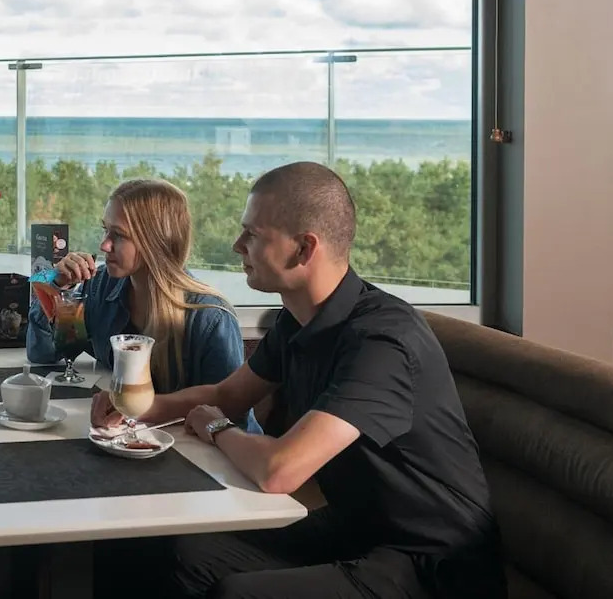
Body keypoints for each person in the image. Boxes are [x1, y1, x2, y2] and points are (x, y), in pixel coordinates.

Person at [97, 162, 506, 599]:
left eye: (252, 234)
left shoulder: (381, 342)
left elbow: (280, 470)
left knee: (239, 594)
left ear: (304, 249)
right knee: (166, 551)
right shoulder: (298, 321)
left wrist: (215, 427)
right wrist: (138, 407)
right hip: (355, 530)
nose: (237, 245)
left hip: (431, 563)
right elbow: (227, 394)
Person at [27, 178, 257, 431]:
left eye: (118, 235)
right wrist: (56, 285)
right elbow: (42, 353)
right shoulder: (102, 285)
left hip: (194, 448)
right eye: (105, 230)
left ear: (156, 241)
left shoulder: (210, 317)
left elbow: (231, 418)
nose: (104, 245)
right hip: (132, 436)